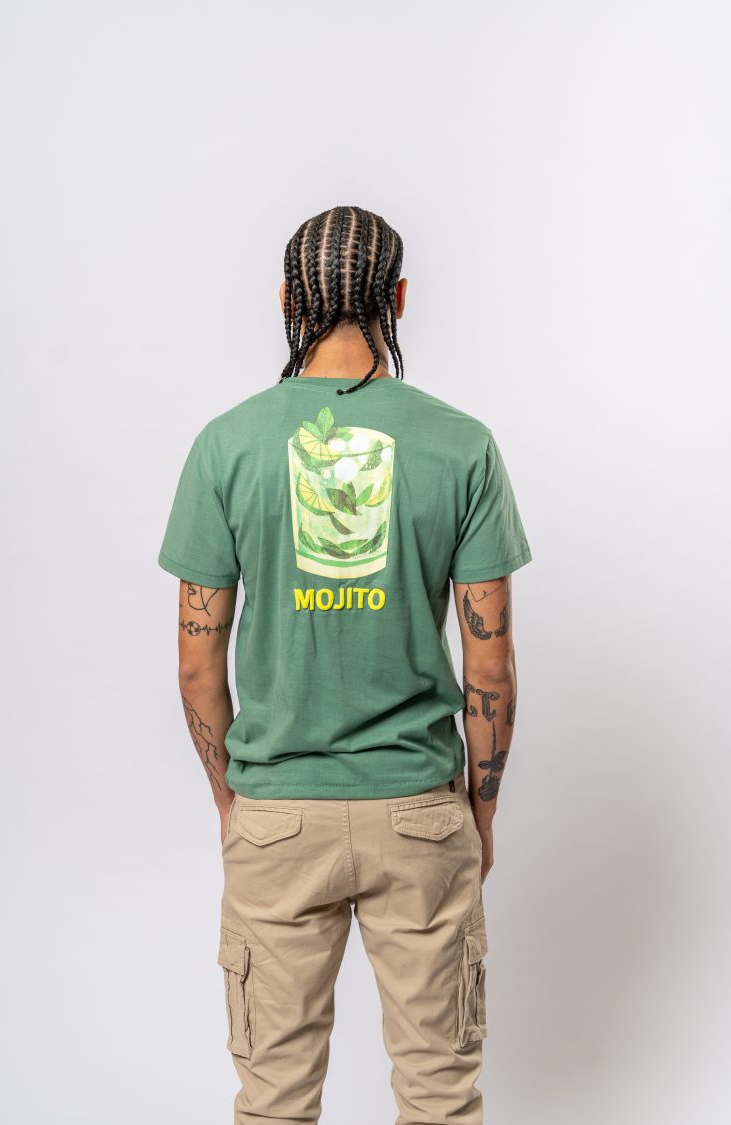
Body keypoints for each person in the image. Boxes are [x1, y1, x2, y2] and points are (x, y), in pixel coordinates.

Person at [157, 205, 532, 1124]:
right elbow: (489, 660)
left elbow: (197, 657)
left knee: (274, 1101)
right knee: (441, 1098)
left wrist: (233, 797)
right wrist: (478, 809)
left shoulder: (227, 445)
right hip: (420, 810)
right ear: (398, 298)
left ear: (288, 300)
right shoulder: (461, 444)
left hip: (278, 813)